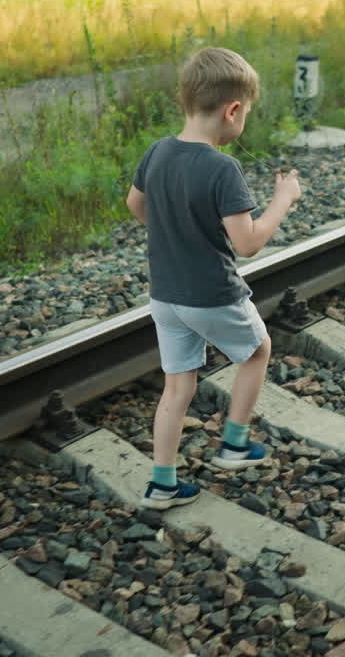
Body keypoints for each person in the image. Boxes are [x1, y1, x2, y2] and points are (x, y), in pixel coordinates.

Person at [126, 46, 302, 510]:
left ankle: (163, 481)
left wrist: (175, 231)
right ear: (233, 110)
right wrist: (282, 199)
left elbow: (135, 205)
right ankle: (235, 444)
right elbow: (247, 243)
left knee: (178, 386)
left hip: (165, 296)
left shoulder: (158, 151)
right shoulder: (223, 168)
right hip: (211, 294)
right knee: (258, 349)